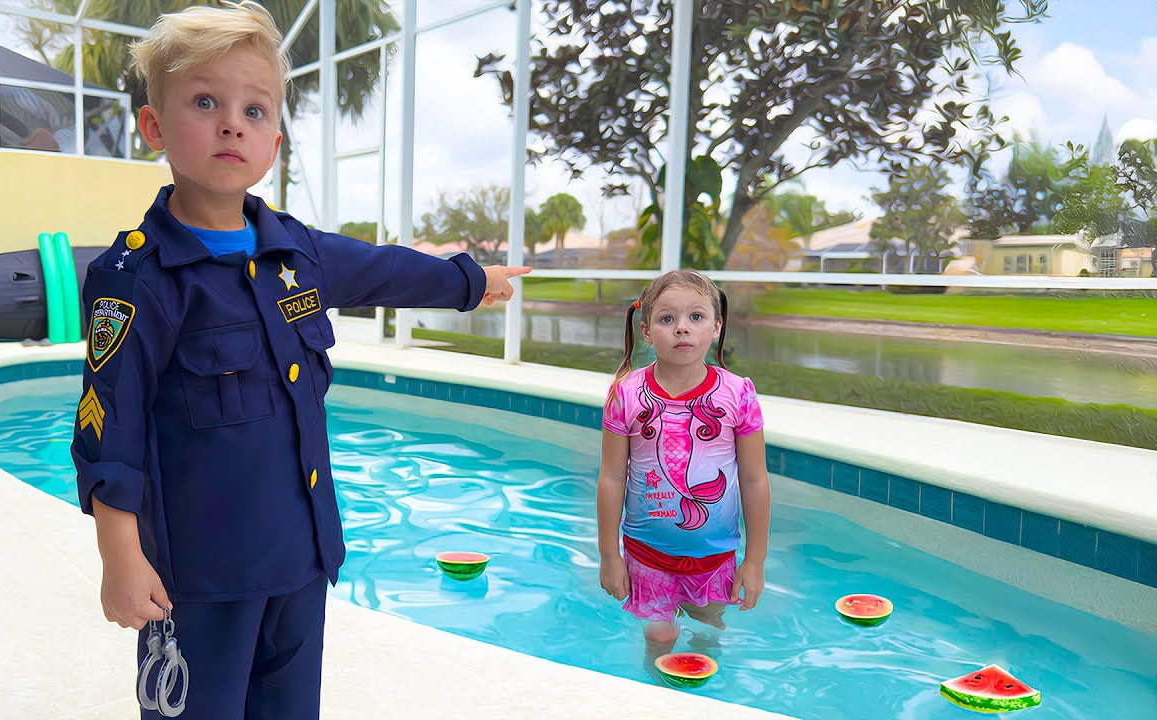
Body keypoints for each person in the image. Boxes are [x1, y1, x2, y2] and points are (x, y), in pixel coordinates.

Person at [69, 3, 529, 718]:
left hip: (301, 559)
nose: (232, 123)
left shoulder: (298, 253)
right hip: (200, 575)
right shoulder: (137, 279)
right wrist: (119, 557)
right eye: (205, 102)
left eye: (254, 110)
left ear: (274, 143)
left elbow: (388, 270)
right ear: (154, 127)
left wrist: (475, 282)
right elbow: (108, 429)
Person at [595, 269, 771, 674]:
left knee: (709, 627)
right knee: (658, 639)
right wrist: (609, 555)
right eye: (667, 319)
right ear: (646, 330)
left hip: (714, 555)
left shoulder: (737, 393)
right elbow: (611, 476)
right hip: (645, 553)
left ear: (716, 326)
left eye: (696, 317)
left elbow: (754, 478)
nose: (681, 329)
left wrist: (755, 559)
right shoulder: (625, 393)